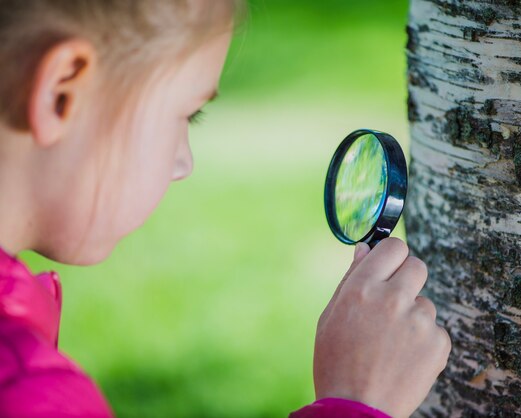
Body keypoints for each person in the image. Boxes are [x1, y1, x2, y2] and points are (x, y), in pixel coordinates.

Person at [0, 1, 451, 417]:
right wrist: (355, 401)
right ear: (61, 93)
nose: (184, 162)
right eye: (187, 114)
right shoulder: (28, 391)